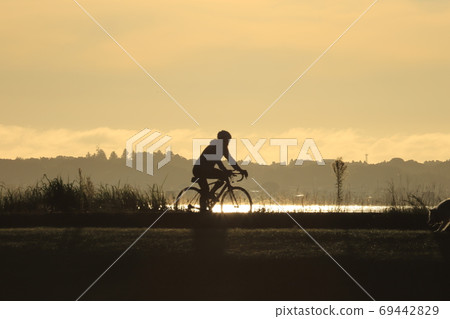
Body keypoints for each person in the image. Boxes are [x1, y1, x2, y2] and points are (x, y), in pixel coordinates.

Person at [193, 130, 248, 213]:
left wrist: (241, 170)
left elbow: (231, 161)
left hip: (207, 169)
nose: (228, 142)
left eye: (229, 140)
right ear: (222, 140)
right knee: (205, 190)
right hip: (199, 170)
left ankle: (210, 195)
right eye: (227, 140)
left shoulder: (224, 148)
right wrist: (225, 170)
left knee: (222, 178)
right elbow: (218, 162)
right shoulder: (215, 147)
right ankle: (203, 210)